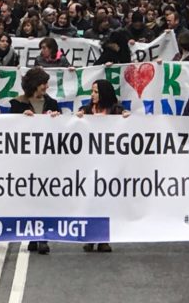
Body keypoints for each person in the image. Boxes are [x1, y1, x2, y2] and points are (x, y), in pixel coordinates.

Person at [9, 67, 60, 255]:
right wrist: (22, 119)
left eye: (46, 83)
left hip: (47, 160)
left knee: (45, 199)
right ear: (33, 85)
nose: (46, 86)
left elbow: (62, 129)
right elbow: (10, 127)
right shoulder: (17, 104)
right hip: (26, 159)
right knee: (29, 199)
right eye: (42, 83)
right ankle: (32, 234)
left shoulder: (52, 103)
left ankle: (43, 237)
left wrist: (56, 119)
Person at [76, 79, 129, 253]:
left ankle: (104, 239)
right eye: (92, 91)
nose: (92, 95)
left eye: (96, 92)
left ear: (104, 93)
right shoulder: (85, 110)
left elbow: (129, 125)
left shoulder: (115, 110)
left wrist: (127, 119)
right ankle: (91, 237)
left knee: (105, 201)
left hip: (109, 163)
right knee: (90, 201)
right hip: (88, 162)